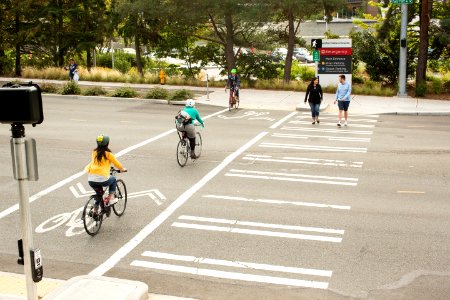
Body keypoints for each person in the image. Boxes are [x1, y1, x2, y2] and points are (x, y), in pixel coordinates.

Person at [85, 135, 127, 211]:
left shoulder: (94, 152)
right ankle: (110, 199)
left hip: (91, 179)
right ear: (107, 143)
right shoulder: (108, 154)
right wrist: (122, 169)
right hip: (102, 179)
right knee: (113, 179)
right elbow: (117, 164)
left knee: (99, 194)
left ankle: (95, 210)